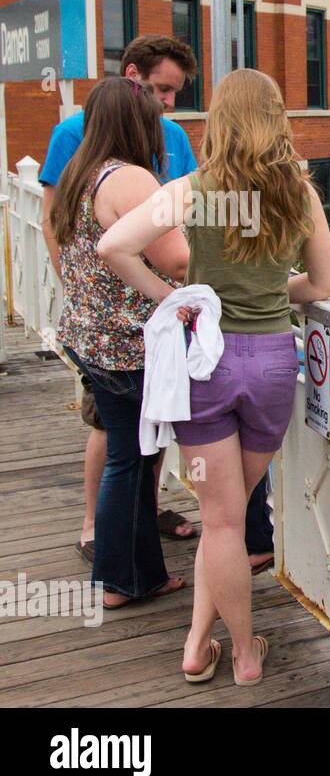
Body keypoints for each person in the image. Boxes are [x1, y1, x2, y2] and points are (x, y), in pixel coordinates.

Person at [98, 69, 330, 686]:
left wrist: (172, 297)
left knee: (222, 522)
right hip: (270, 369)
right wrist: (271, 290)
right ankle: (202, 643)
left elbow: (113, 247)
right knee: (229, 523)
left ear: (220, 120)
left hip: (204, 366)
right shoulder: (299, 192)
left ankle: (239, 654)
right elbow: (324, 286)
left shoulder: (195, 188)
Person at [39, 35, 204, 562]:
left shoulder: (83, 173)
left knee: (129, 453)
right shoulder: (128, 176)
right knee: (127, 456)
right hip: (126, 339)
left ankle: (129, 569)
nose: (163, 114)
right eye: (154, 100)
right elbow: (176, 256)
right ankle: (120, 571)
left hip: (94, 332)